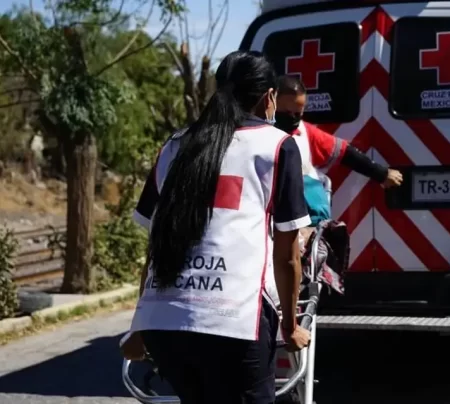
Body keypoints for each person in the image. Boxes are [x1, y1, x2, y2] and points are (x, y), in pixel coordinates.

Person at [126, 51, 312, 404]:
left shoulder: (175, 146)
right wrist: (290, 328)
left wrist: (139, 326)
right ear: (269, 97)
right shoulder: (277, 146)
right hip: (235, 324)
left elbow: (157, 244)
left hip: (164, 327)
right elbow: (287, 256)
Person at [274, 75, 403, 228]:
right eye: (287, 113)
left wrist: (381, 173)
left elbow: (345, 152)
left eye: (298, 113)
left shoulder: (305, 133)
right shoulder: (254, 132)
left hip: (297, 221)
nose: (293, 119)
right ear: (272, 102)